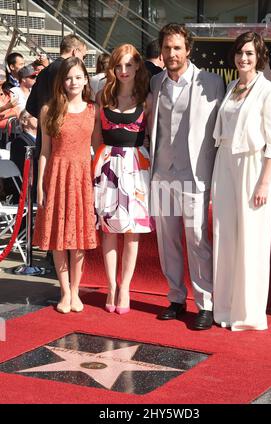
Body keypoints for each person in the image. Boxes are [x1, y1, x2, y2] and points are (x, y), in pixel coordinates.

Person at [149, 23, 224, 330]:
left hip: (194, 175)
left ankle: (205, 302)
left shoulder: (211, 82)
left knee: (196, 238)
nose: (172, 53)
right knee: (167, 241)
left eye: (177, 47)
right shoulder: (155, 83)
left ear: (188, 50)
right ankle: (176, 298)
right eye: (167, 48)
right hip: (163, 174)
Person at [212, 31, 271, 331]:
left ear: (259, 57)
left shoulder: (269, 92)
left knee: (250, 241)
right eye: (240, 52)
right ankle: (225, 308)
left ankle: (249, 313)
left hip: (253, 168)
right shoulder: (231, 86)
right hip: (225, 164)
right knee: (224, 237)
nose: (244, 58)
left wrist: (265, 181)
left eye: (250, 53)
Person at [33, 57, 99, 314]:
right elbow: (44, 152)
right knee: (59, 237)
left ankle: (75, 291)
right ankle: (63, 290)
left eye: (78, 77)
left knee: (79, 238)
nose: (73, 82)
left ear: (85, 80)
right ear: (62, 81)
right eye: (68, 77)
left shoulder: (93, 110)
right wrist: (40, 186)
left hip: (82, 177)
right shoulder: (49, 110)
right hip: (57, 175)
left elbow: (97, 146)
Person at [93, 44, 154, 314]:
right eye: (119, 65)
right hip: (107, 167)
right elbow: (96, 138)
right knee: (109, 230)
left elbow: (153, 137)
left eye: (129, 65)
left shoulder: (147, 99)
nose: (124, 70)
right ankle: (110, 286)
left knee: (132, 232)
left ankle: (125, 287)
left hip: (136, 168)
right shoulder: (102, 97)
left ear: (138, 66)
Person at [26, 34, 87, 157]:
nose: (83, 61)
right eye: (84, 56)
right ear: (75, 52)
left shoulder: (44, 72)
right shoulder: (72, 73)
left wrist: (46, 119)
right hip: (65, 143)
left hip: (44, 141)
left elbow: (31, 106)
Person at [10, 109, 38, 203]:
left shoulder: (41, 141)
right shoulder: (19, 142)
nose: (39, 118)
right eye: (35, 116)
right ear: (25, 121)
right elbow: (24, 170)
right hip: (29, 189)